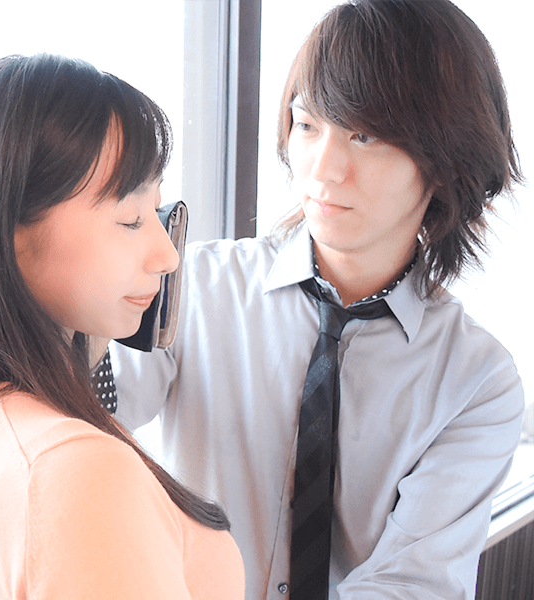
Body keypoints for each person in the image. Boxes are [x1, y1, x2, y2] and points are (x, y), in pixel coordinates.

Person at [106, 1, 525, 599]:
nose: (323, 170)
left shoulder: (476, 382)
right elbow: (92, 414)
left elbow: (410, 584)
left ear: (445, 162)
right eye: (306, 125)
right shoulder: (193, 284)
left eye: (364, 135)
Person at [0, 54, 245, 600]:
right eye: (130, 219)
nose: (167, 255)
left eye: (157, 212)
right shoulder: (79, 470)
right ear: (10, 234)